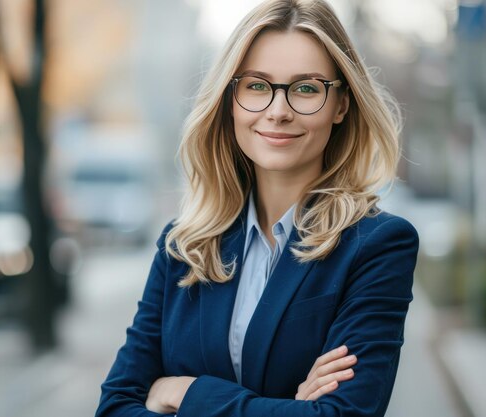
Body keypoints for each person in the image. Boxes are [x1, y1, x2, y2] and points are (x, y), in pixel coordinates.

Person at [96, 0, 419, 416]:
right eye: (256, 86)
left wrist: (184, 393)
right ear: (230, 99)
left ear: (341, 104)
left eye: (306, 88)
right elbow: (114, 408)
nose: (278, 111)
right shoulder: (184, 246)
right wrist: (286, 409)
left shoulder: (376, 247)